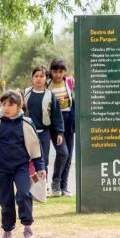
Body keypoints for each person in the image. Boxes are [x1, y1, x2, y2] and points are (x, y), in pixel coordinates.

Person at [0, 89, 45, 238]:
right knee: (6, 199)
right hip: (2, 168)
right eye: (4, 104)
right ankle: (7, 231)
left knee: (24, 194)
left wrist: (40, 166)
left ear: (20, 106)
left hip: (22, 167)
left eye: (10, 104)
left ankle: (27, 226)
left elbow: (36, 146)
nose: (6, 107)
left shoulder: (27, 123)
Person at [24, 65, 67, 195]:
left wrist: (59, 132)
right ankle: (28, 185)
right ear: (32, 78)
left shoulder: (50, 96)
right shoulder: (26, 93)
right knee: (28, 160)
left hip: (44, 133)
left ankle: (43, 187)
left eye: (42, 76)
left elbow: (57, 115)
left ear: (46, 78)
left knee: (43, 160)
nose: (39, 79)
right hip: (27, 133)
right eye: (36, 76)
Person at [49, 58, 76, 196]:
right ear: (51, 72)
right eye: (55, 71)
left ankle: (64, 186)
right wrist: (54, 102)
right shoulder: (48, 85)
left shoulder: (69, 82)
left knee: (69, 155)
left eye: (61, 71)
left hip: (69, 120)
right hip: (55, 123)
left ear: (65, 72)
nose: (58, 74)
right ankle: (55, 183)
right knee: (62, 152)